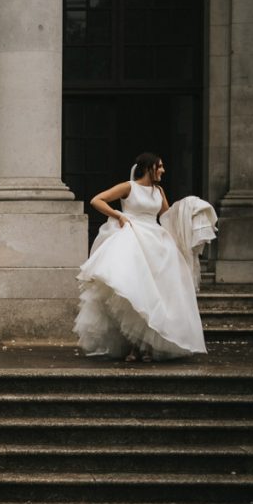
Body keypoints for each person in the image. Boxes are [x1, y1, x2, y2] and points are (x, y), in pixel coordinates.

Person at [73, 152, 207, 361]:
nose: (163, 170)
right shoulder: (129, 187)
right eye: (159, 166)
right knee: (137, 292)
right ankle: (135, 346)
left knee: (155, 295)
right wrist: (119, 215)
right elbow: (97, 200)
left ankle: (147, 347)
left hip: (157, 242)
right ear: (148, 168)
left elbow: (167, 215)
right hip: (133, 237)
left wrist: (190, 209)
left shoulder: (158, 190)